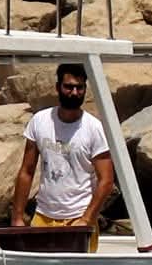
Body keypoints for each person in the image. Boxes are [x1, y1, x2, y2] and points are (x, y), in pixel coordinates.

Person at [10, 62, 114, 251]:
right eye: (69, 87)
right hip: (43, 217)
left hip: (78, 217)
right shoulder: (40, 121)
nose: (74, 92)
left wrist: (87, 219)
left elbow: (106, 180)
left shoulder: (94, 128)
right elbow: (27, 171)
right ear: (58, 87)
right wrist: (17, 217)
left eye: (79, 87)